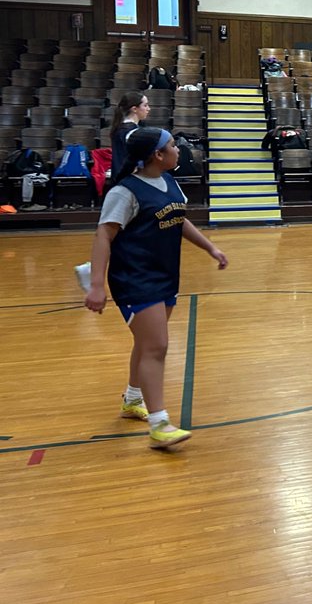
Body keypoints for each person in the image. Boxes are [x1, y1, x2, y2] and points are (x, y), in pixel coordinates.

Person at [84, 127, 228, 449]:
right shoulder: (125, 192)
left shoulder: (170, 182)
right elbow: (103, 236)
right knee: (157, 347)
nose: (180, 150)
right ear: (157, 155)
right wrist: (96, 286)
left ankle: (133, 399)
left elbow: (179, 220)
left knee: (147, 343)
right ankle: (159, 424)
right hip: (135, 278)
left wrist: (210, 248)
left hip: (164, 276)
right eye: (173, 146)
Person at [75, 91, 153, 291]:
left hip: (124, 184)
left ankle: (96, 269)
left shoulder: (124, 129)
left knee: (124, 234)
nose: (148, 108)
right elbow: (130, 161)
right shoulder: (130, 132)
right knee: (115, 234)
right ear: (134, 108)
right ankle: (94, 270)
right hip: (129, 186)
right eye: (145, 105)